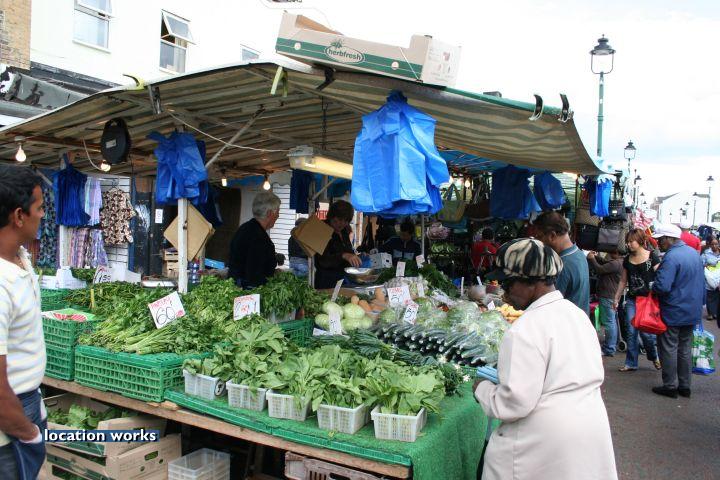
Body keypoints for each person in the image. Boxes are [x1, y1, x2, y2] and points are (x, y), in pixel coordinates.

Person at [475, 238, 617, 480]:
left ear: (533, 282)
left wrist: (483, 389)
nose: (504, 292)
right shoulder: (577, 315)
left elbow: (513, 403)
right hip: (590, 427)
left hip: (543, 441)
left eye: (508, 283)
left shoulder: (525, 329)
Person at [0, 166, 48, 479]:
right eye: (39, 208)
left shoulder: (19, 256)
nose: (43, 215)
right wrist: (28, 432)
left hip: (27, 401)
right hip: (10, 418)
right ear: (19, 216)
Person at [651, 223, 705, 398]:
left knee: (669, 348)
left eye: (660, 239)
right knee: (685, 348)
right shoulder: (693, 254)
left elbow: (663, 286)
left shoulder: (671, 257)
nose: (658, 243)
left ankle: (670, 386)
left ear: (669, 239)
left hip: (674, 310)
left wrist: (652, 285)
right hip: (692, 309)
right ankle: (684, 385)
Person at [613, 229, 662, 372]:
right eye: (627, 242)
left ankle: (654, 356)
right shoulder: (627, 260)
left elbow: (661, 276)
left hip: (648, 301)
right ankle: (631, 363)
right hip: (632, 300)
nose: (628, 244)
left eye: (631, 241)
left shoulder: (652, 257)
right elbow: (623, 281)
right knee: (631, 331)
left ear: (640, 241)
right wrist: (616, 298)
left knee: (647, 333)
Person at [533, 211, 590, 315]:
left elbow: (548, 305)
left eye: (539, 237)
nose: (538, 242)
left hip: (566, 321)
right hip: (580, 319)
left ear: (552, 236)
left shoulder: (561, 265)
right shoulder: (579, 253)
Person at [228, 191, 281, 288]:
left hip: (239, 286)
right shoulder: (257, 236)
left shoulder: (246, 228)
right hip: (247, 291)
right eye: (277, 212)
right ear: (269, 213)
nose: (278, 215)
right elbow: (254, 274)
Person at [315, 200, 361, 289]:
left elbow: (349, 252)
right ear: (331, 216)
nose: (342, 223)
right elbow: (323, 261)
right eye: (339, 219)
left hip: (343, 280)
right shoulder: (322, 229)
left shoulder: (344, 231)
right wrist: (343, 255)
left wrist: (357, 256)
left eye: (346, 221)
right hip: (326, 282)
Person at [587, 250, 623, 357]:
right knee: (612, 322)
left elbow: (599, 269)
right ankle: (612, 345)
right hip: (612, 296)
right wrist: (596, 257)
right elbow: (605, 263)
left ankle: (609, 348)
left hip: (608, 296)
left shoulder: (615, 263)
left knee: (609, 323)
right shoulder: (619, 262)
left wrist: (592, 259)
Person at [701, 237, 720, 321]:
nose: (714, 246)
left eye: (716, 244)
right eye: (712, 244)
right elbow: (701, 263)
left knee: (717, 296)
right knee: (710, 296)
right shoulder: (706, 253)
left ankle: (715, 312)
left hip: (719, 277)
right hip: (710, 278)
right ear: (710, 245)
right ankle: (710, 314)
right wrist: (706, 265)